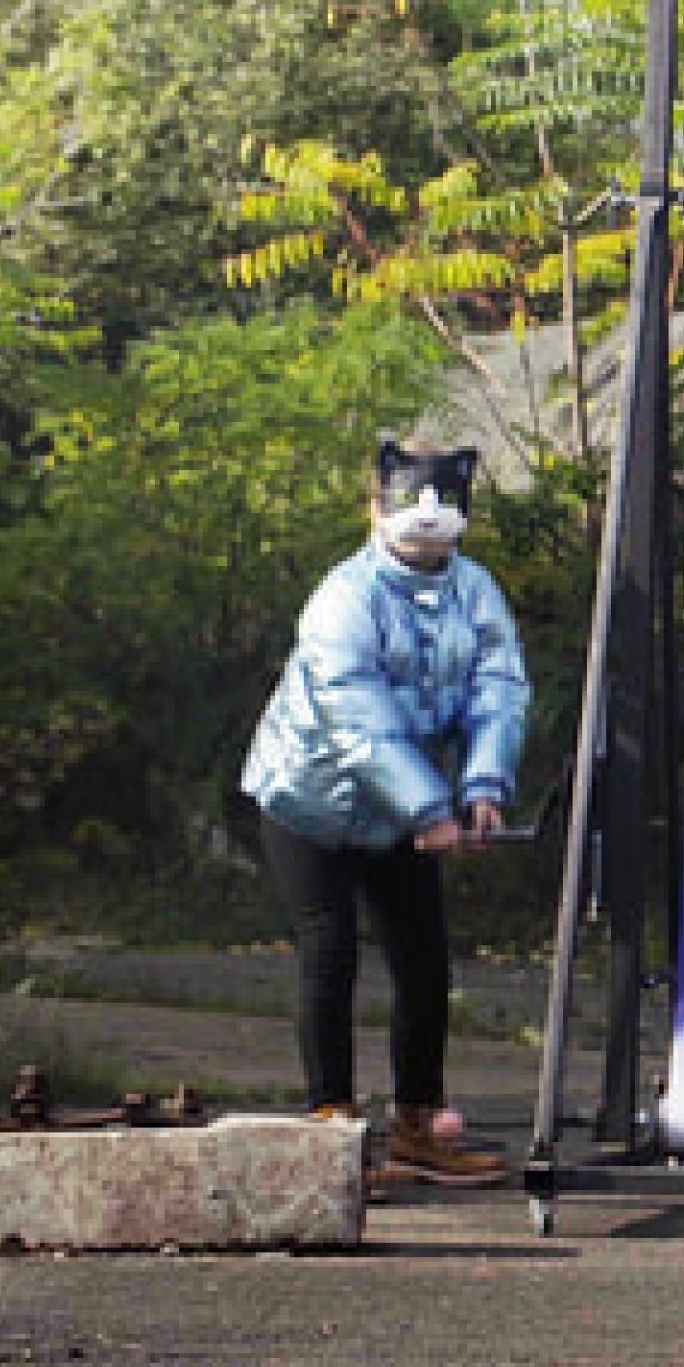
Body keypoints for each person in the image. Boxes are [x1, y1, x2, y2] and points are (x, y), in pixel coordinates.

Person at [238, 439, 529, 1187]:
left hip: (399, 807)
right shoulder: (344, 597)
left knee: (424, 960)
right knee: (329, 949)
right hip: (310, 797)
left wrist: (484, 787)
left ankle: (416, 1125)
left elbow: (498, 686)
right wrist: (431, 807)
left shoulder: (476, 590)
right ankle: (331, 1130)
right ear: (378, 508)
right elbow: (357, 721)